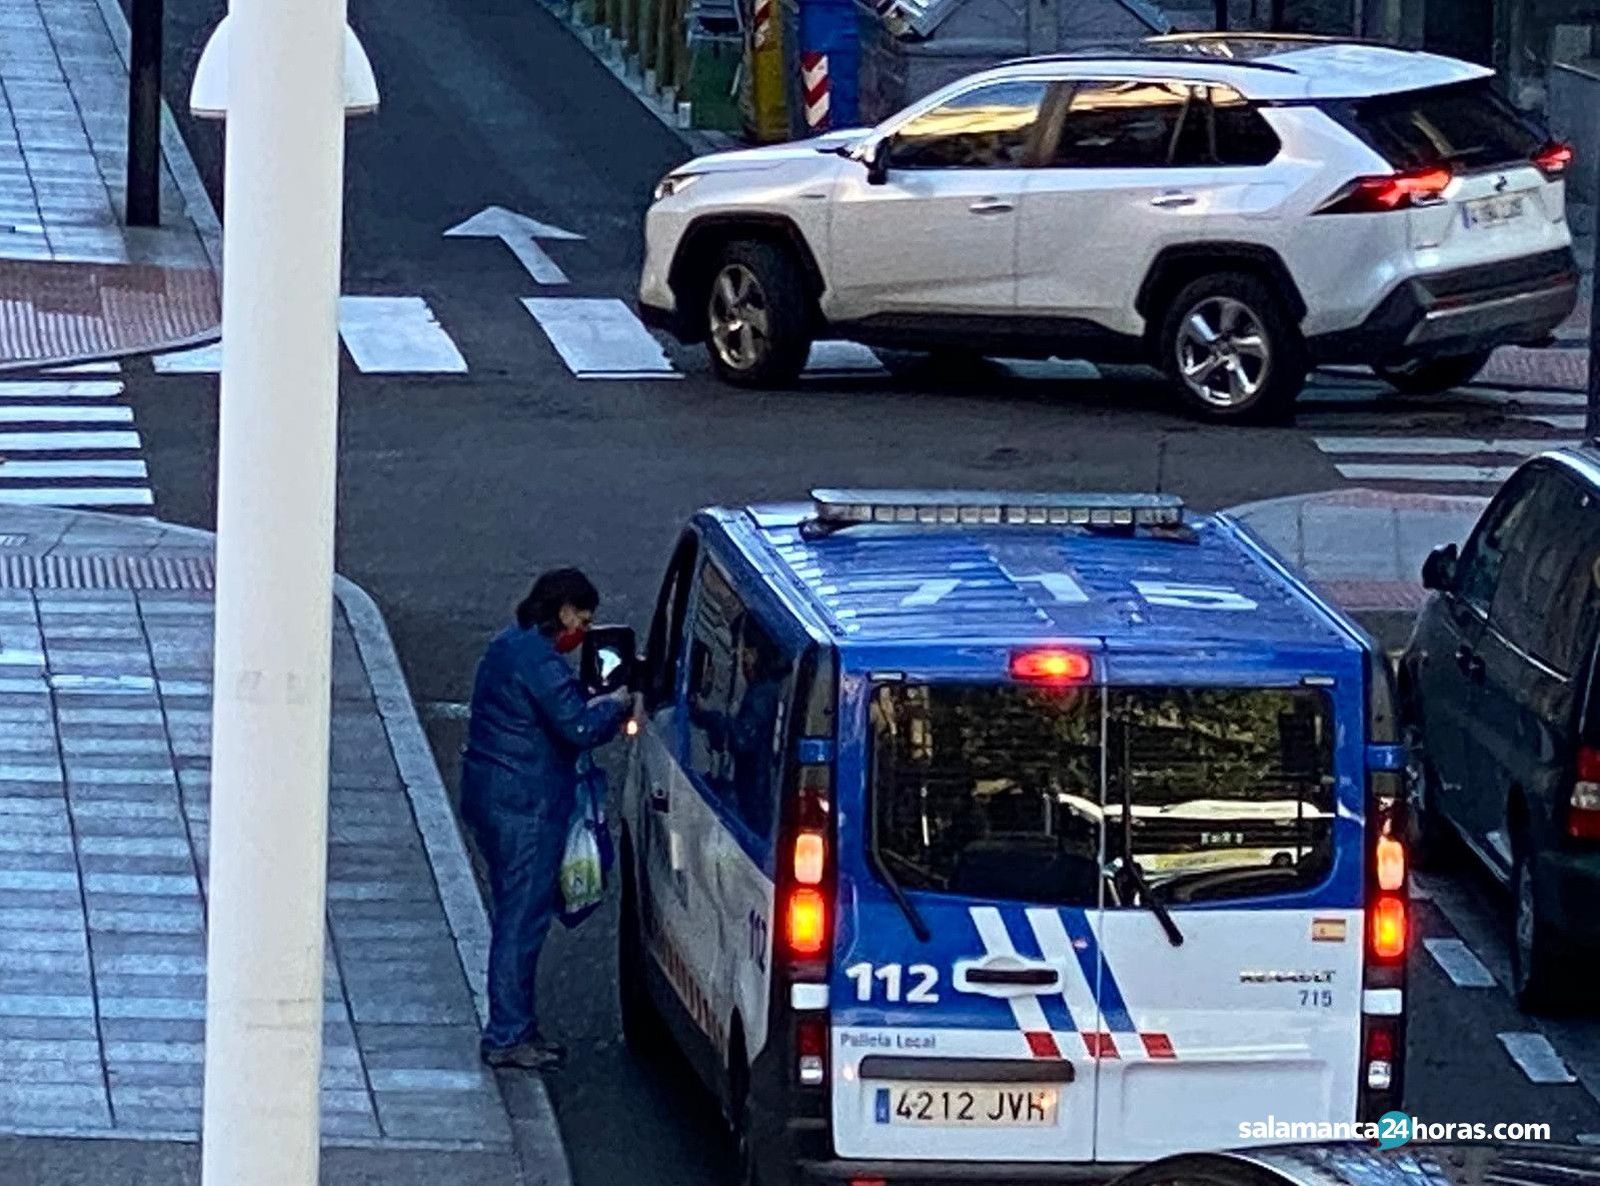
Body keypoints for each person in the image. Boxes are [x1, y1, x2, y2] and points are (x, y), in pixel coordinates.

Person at [460, 567, 630, 1070]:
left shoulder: (510, 646)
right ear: (563, 611)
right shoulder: (538, 659)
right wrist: (615, 707)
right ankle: (508, 1033)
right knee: (522, 918)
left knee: (516, 910)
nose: (583, 629)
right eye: (583, 616)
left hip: (494, 792)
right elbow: (576, 725)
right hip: (525, 804)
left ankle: (515, 1026)